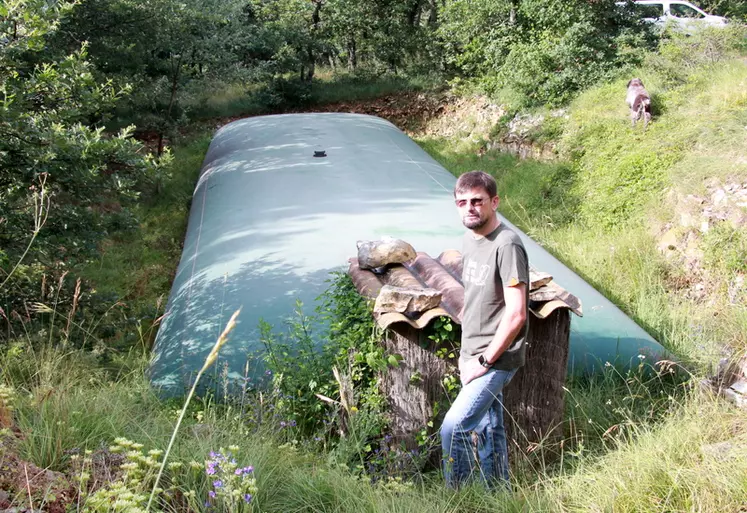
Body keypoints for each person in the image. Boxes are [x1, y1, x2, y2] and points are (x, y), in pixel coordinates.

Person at [441, 170, 529, 489]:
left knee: (455, 428)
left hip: (496, 358)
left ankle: (461, 500)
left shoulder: (507, 245)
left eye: (477, 201)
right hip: (473, 353)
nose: (470, 208)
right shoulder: (470, 238)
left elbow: (517, 313)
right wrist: (468, 355)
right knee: (491, 430)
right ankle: (498, 495)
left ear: (494, 202)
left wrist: (483, 361)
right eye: (462, 202)